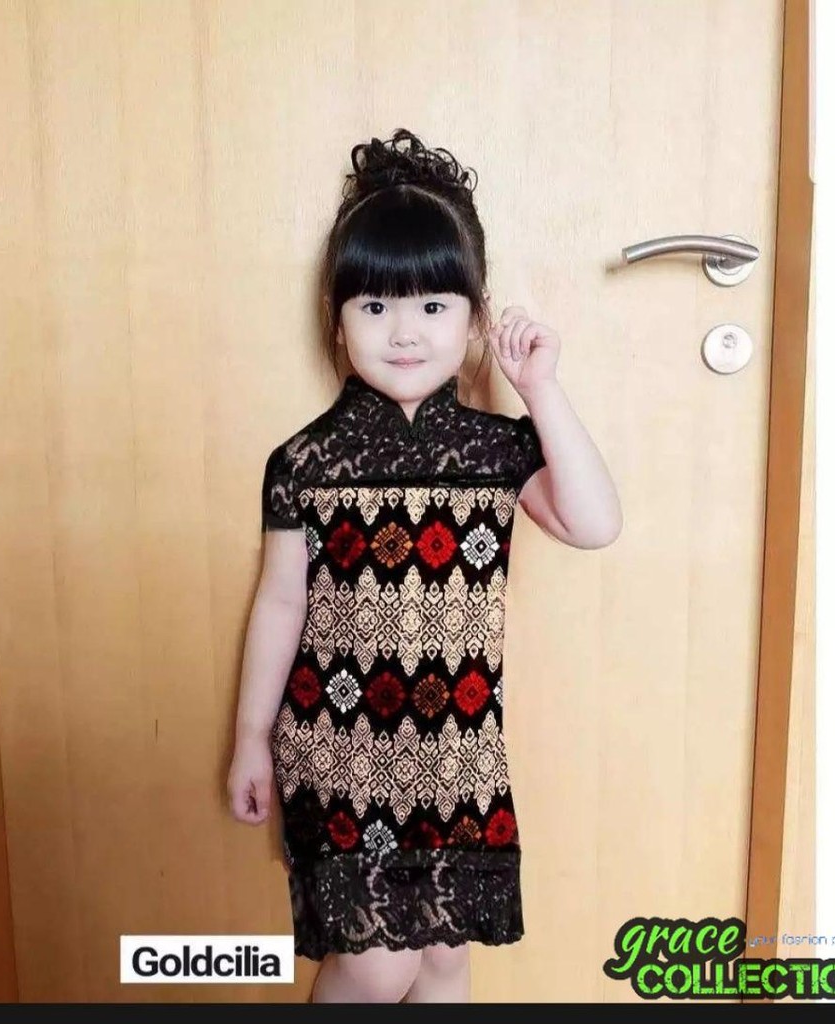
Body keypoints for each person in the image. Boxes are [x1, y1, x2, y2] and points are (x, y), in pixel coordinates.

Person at [227, 128, 622, 1003]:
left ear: (476, 318)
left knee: (444, 958)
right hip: (341, 749)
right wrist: (251, 738)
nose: (404, 331)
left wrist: (540, 390)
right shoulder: (305, 462)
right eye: (374, 306)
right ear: (337, 318)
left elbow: (594, 524)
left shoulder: (494, 450)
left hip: (457, 754)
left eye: (434, 307)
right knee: (376, 964)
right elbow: (280, 604)